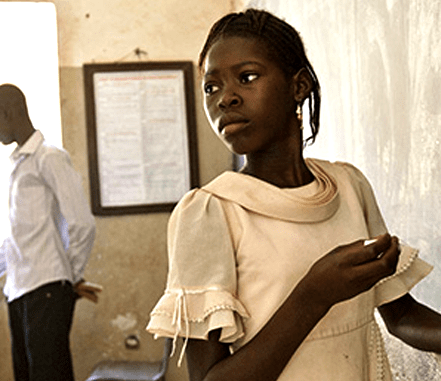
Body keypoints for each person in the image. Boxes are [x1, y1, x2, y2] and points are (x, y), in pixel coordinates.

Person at [146, 9, 441, 381]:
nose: (225, 99)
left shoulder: (349, 186)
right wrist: (313, 295)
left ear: (298, 86)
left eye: (247, 77)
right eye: (211, 86)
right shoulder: (211, 212)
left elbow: (402, 317)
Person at [0, 84, 97, 381]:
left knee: (50, 375)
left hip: (48, 290)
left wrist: (69, 278)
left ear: (9, 114)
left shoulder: (49, 158)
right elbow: (13, 240)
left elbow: (82, 223)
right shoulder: (18, 165)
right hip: (19, 292)